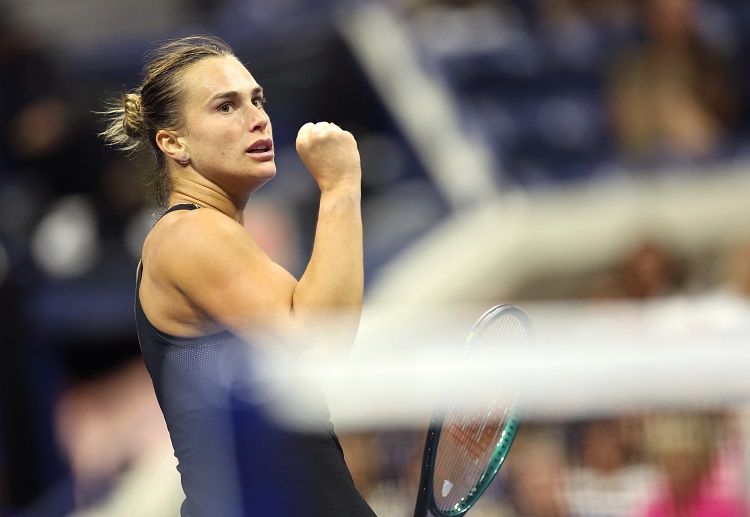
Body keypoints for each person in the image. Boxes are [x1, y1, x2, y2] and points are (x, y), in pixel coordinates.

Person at [100, 35, 376, 516]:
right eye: (226, 106)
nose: (257, 118)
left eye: (257, 99)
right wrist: (338, 187)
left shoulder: (211, 236)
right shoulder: (190, 234)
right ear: (173, 143)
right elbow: (319, 344)